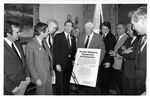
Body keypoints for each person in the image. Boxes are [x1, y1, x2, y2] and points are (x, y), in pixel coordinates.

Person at [77, 21, 105, 95]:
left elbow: (103, 50)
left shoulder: (98, 37)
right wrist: (76, 59)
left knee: (93, 85)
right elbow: (78, 49)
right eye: (85, 28)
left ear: (92, 28)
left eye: (88, 28)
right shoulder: (81, 36)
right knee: (83, 85)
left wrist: (100, 60)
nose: (86, 30)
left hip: (93, 66)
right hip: (82, 65)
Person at [25, 22, 53, 95]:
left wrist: (51, 73)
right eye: (47, 31)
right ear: (41, 32)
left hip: (48, 75)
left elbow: (48, 58)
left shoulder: (44, 41)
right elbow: (30, 64)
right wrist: (36, 78)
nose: (49, 32)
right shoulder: (30, 44)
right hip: (40, 77)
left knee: (49, 94)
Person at [4, 20, 30, 95]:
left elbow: (23, 60)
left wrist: (27, 75)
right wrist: (10, 87)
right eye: (17, 32)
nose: (20, 34)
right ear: (8, 33)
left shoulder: (17, 43)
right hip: (10, 87)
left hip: (23, 82)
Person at [53, 20, 77, 95]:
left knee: (67, 83)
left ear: (72, 28)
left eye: (70, 26)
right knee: (59, 84)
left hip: (69, 65)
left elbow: (73, 51)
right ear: (64, 26)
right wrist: (56, 64)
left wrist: (73, 59)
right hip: (60, 65)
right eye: (66, 25)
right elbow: (55, 51)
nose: (68, 27)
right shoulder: (58, 36)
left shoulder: (73, 38)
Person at [117, 23, 139, 95]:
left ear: (134, 30)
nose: (127, 32)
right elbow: (119, 50)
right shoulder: (128, 38)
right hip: (124, 70)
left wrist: (123, 53)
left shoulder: (139, 40)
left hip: (132, 72)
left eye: (129, 30)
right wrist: (124, 51)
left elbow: (133, 55)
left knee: (131, 92)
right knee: (124, 91)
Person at [131, 6, 147, 95]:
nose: (133, 28)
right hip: (141, 87)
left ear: (141, 20)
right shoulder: (142, 37)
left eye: (133, 24)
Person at [109, 23, 128, 94]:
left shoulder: (126, 38)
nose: (118, 30)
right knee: (117, 85)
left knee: (121, 86)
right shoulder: (118, 37)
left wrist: (115, 54)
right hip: (115, 65)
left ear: (124, 29)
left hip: (120, 66)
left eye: (120, 28)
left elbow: (126, 53)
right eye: (117, 28)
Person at [99, 21, 116, 95]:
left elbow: (111, 50)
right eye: (102, 29)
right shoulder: (100, 35)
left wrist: (109, 62)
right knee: (101, 80)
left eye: (105, 29)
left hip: (106, 62)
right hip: (100, 61)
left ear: (109, 29)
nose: (103, 30)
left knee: (106, 81)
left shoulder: (111, 37)